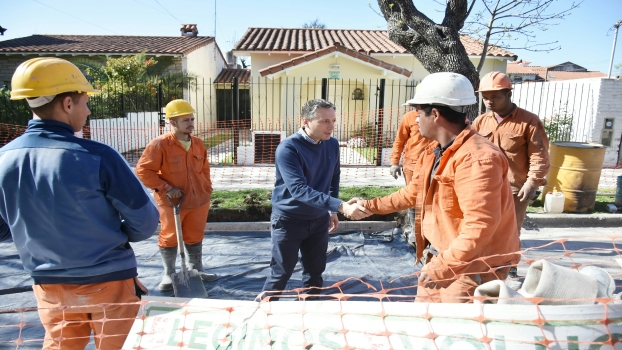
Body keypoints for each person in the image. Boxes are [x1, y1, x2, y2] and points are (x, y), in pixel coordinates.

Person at [0, 57, 160, 349]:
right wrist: (118, 235)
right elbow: (146, 222)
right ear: (68, 103)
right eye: (86, 102)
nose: (88, 111)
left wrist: (41, 232)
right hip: (109, 280)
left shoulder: (3, 159)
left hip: (49, 285)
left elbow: (4, 227)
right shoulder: (97, 156)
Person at [352, 72, 520, 303]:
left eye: (418, 113)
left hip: (472, 267)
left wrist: (442, 267)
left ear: (436, 114)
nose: (415, 119)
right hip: (443, 257)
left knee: (456, 332)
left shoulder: (477, 159)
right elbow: (413, 192)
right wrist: (369, 206)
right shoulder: (435, 152)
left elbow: (480, 225)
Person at [262, 99, 372, 300]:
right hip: (289, 220)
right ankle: (263, 316)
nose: (330, 127)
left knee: (314, 274)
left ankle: (309, 314)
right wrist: (339, 206)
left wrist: (330, 211)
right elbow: (298, 189)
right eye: (324, 121)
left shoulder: (332, 144)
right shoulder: (288, 148)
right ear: (305, 121)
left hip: (319, 220)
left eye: (333, 121)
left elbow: (333, 177)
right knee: (280, 274)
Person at [472, 72, 550, 277]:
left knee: (511, 229)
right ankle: (486, 264)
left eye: (495, 96)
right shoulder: (480, 122)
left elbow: (539, 156)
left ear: (508, 93)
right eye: (485, 97)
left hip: (515, 190)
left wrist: (532, 183)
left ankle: (508, 265)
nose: (489, 101)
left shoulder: (529, 122)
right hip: (485, 188)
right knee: (485, 227)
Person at [135, 99, 217, 292]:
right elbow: (143, 171)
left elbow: (204, 169)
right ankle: (169, 273)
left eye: (192, 119)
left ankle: (196, 269)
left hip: (199, 200)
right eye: (185, 120)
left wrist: (207, 187)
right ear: (172, 122)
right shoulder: (160, 145)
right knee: (170, 237)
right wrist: (166, 187)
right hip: (172, 202)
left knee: (195, 235)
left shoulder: (198, 144)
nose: (191, 123)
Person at [389, 93, 432, 246]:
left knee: (431, 199)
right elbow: (400, 140)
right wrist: (394, 162)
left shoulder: (437, 116)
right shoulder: (409, 117)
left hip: (435, 163)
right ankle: (415, 232)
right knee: (413, 200)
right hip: (412, 165)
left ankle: (430, 234)